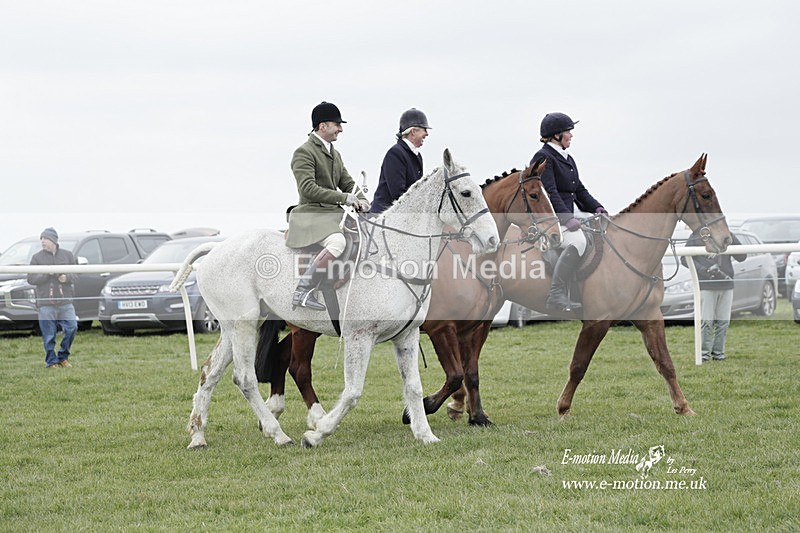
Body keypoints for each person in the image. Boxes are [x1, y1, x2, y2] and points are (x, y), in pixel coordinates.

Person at [285, 101, 370, 311]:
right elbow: (308, 189)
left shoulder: (335, 153)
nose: (340, 129)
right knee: (338, 242)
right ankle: (302, 290)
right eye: (336, 124)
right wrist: (344, 199)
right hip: (310, 214)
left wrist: (362, 199)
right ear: (323, 126)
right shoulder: (303, 152)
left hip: (331, 214)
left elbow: (348, 183)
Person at [531, 112, 607, 313]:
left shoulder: (568, 158)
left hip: (569, 216)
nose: (571, 136)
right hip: (552, 220)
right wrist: (567, 218)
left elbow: (579, 190)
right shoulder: (543, 157)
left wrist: (597, 207)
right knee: (579, 242)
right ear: (557, 135)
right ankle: (556, 294)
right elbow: (549, 192)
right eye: (568, 132)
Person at [682, 231, 746, 361]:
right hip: (706, 284)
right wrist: (703, 270)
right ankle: (704, 354)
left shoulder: (726, 235)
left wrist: (731, 237)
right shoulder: (696, 236)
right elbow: (684, 258)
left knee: (723, 322)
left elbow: (742, 256)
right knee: (706, 321)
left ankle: (719, 354)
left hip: (726, 284)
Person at [27, 227, 78, 369]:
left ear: (54, 241)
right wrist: (46, 274)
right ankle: (51, 361)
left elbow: (77, 275)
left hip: (65, 301)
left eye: (46, 239)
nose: (43, 241)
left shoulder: (68, 256)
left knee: (72, 328)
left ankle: (63, 357)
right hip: (45, 303)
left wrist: (65, 278)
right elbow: (30, 278)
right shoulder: (36, 258)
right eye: (41, 239)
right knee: (49, 334)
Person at [370, 108, 431, 214]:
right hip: (384, 217)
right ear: (413, 131)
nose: (427, 134)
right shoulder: (395, 153)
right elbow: (398, 194)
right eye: (424, 129)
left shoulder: (417, 156)